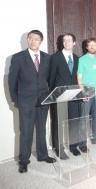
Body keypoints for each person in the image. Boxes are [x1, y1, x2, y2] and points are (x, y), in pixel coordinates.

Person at [8, 30, 56, 173]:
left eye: (36, 39)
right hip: (25, 100)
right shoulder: (18, 58)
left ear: (41, 41)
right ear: (27, 40)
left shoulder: (47, 58)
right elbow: (12, 81)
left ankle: (42, 155)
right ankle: (24, 160)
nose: (33, 41)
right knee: (26, 131)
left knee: (42, 129)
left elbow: (49, 78)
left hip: (43, 99)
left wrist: (51, 95)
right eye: (30, 39)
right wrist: (16, 100)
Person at [48, 33, 81, 159]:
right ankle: (59, 149)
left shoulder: (77, 59)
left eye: (69, 40)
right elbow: (50, 78)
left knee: (73, 121)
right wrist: (53, 94)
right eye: (64, 40)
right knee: (59, 122)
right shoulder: (55, 58)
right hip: (59, 95)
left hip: (74, 96)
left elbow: (79, 78)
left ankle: (73, 146)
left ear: (74, 43)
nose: (67, 42)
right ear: (62, 43)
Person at [77, 38, 96, 153]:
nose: (92, 47)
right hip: (87, 90)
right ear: (86, 47)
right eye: (90, 45)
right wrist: (83, 92)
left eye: (94, 45)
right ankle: (82, 143)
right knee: (84, 117)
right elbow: (79, 77)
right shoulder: (82, 60)